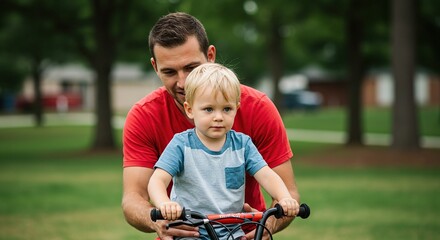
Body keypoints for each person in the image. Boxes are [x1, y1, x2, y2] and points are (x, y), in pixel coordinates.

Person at [122, 12, 300, 240]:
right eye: (169, 72)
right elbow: (133, 197)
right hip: (188, 233)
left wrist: (269, 225)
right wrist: (158, 217)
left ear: (211, 55)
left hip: (241, 233)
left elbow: (285, 188)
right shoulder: (146, 118)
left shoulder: (257, 109)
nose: (183, 82)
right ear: (155, 67)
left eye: (191, 67)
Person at [147, 63, 299, 240]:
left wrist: (284, 198)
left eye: (226, 109)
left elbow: (267, 175)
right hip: (190, 231)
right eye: (208, 109)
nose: (218, 117)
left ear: (237, 108)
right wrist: (165, 204)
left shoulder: (242, 145)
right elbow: (157, 180)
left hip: (232, 232)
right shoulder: (181, 145)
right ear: (190, 110)